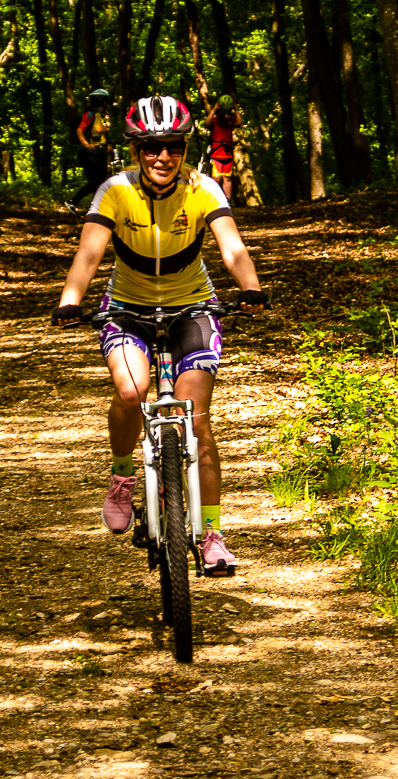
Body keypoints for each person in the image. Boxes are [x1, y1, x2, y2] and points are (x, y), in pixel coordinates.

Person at [52, 95, 266, 577]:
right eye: (151, 147)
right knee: (131, 393)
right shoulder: (115, 191)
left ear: (185, 146)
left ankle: (211, 535)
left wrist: (249, 288)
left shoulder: (204, 189)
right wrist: (71, 298)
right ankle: (123, 475)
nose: (162, 156)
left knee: (197, 419)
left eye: (172, 145)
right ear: (135, 150)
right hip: (127, 308)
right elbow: (88, 255)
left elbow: (232, 248)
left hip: (194, 305)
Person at [67, 88, 116, 210]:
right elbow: (79, 131)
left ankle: (94, 210)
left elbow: (100, 135)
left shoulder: (101, 116)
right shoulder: (90, 115)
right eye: (106, 100)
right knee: (98, 181)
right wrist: (85, 144)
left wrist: (108, 146)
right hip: (88, 154)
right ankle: (73, 201)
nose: (107, 103)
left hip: (100, 154)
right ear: (102, 101)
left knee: (100, 184)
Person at [202, 95, 239, 207]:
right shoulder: (214, 121)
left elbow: (239, 123)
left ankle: (227, 200)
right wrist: (214, 110)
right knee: (216, 178)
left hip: (228, 154)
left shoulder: (230, 121)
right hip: (217, 153)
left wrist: (235, 109)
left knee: (227, 178)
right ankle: (216, 198)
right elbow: (206, 124)